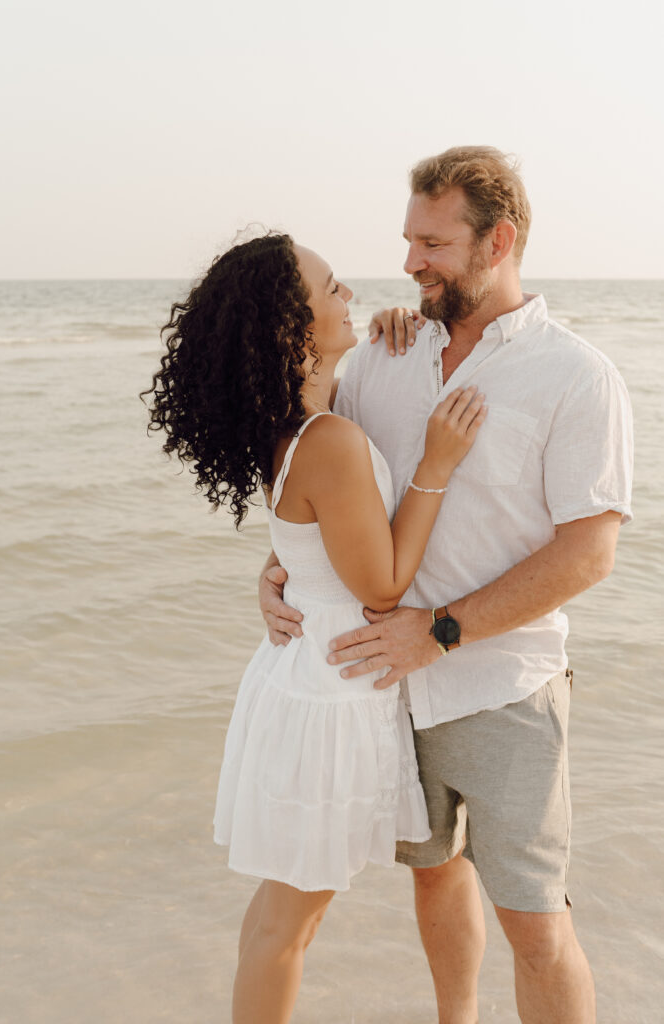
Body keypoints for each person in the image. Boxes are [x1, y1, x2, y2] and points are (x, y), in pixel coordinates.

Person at [260, 147, 634, 1024]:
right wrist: (275, 573)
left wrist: (439, 631)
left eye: (432, 242)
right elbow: (324, 494)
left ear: (496, 240)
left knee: (535, 922)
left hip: (503, 688)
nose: (408, 262)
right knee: (432, 879)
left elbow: (587, 554)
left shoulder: (576, 376)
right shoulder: (380, 355)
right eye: (407, 239)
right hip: (385, 693)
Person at [141, 231, 487, 1024]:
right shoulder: (326, 439)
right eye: (332, 289)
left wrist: (400, 326)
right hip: (329, 690)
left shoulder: (302, 426)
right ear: (290, 325)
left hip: (308, 682)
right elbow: (381, 586)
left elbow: (309, 549)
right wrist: (436, 462)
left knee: (286, 914)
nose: (351, 296)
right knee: (289, 921)